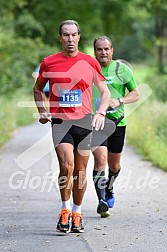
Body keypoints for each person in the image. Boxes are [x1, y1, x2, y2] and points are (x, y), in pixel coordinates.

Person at [33, 21, 110, 233]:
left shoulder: (89, 62)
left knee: (81, 172)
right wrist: (42, 110)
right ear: (60, 38)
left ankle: (77, 212)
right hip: (61, 121)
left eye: (74, 35)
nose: (70, 39)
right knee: (67, 166)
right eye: (66, 35)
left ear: (79, 37)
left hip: (84, 121)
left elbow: (105, 92)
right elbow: (38, 89)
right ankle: (65, 210)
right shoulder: (49, 62)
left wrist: (101, 112)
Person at [91, 36, 140, 217]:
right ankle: (101, 200)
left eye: (106, 49)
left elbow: (136, 94)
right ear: (94, 51)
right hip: (96, 122)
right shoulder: (89, 69)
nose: (103, 52)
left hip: (118, 123)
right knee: (100, 160)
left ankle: (109, 187)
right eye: (99, 49)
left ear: (112, 50)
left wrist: (119, 100)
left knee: (114, 165)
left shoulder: (121, 69)